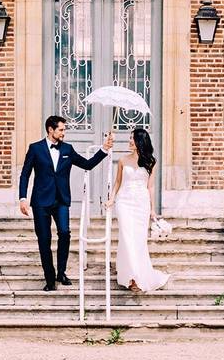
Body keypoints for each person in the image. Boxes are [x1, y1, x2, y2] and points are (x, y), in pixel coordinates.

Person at [19, 116, 114, 291]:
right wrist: (22, 198)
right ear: (50, 129)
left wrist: (104, 149)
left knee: (65, 233)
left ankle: (61, 272)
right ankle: (49, 278)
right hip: (40, 201)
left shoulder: (68, 149)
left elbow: (87, 164)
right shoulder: (35, 148)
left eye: (64, 129)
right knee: (44, 240)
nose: (64, 133)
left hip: (61, 200)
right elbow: (25, 174)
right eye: (61, 129)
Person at [105, 127, 169, 293]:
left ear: (140, 141)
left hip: (141, 203)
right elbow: (118, 182)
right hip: (124, 202)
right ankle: (131, 277)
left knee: (138, 240)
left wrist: (152, 209)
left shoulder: (150, 161)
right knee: (126, 237)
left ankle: (138, 275)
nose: (129, 140)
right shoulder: (122, 160)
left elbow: (151, 186)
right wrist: (112, 198)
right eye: (129, 138)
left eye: (132, 138)